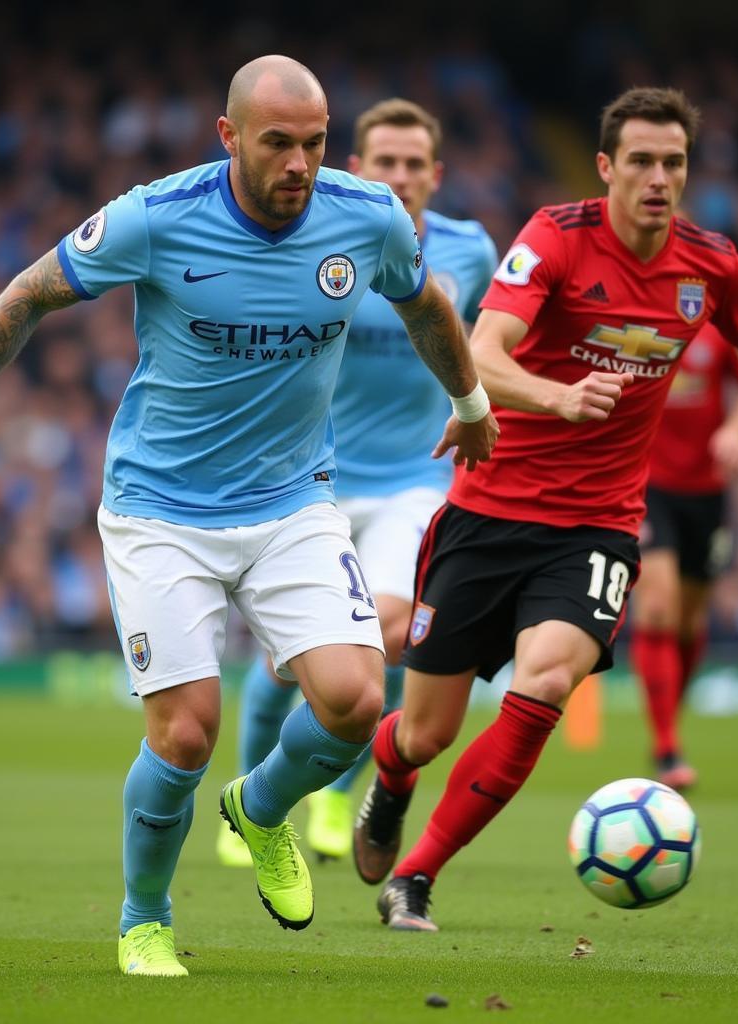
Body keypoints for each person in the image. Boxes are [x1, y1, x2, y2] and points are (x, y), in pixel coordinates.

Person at [0, 55, 498, 976]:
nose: (300, 164)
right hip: (160, 511)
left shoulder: (366, 218)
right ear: (228, 138)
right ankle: (144, 917)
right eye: (277, 144)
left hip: (294, 498)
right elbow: (27, 294)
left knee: (355, 699)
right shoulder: (158, 217)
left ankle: (258, 809)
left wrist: (469, 407)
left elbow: (426, 310)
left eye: (314, 144)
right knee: (185, 733)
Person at [352, 86, 738, 932]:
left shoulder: (711, 262)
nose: (657, 178)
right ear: (606, 167)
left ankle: (414, 878)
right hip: (487, 514)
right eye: (640, 160)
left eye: (672, 162)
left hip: (596, 526)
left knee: (549, 682)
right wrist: (556, 398)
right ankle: (389, 782)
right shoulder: (554, 240)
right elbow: (480, 360)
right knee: (424, 732)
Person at [217, 98, 499, 868]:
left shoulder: (471, 253)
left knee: (393, 634)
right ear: (358, 170)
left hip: (416, 479)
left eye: (415, 165)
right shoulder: (319, 237)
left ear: (436, 176)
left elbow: (492, 346)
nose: (401, 177)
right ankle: (251, 793)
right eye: (386, 163)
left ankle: (337, 798)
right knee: (286, 658)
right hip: (316, 475)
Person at [631, 322, 738, 790]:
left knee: (688, 622)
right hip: (646, 484)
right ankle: (667, 746)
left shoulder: (716, 326)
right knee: (659, 606)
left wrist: (735, 429)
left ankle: (667, 721)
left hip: (708, 492)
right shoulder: (638, 318)